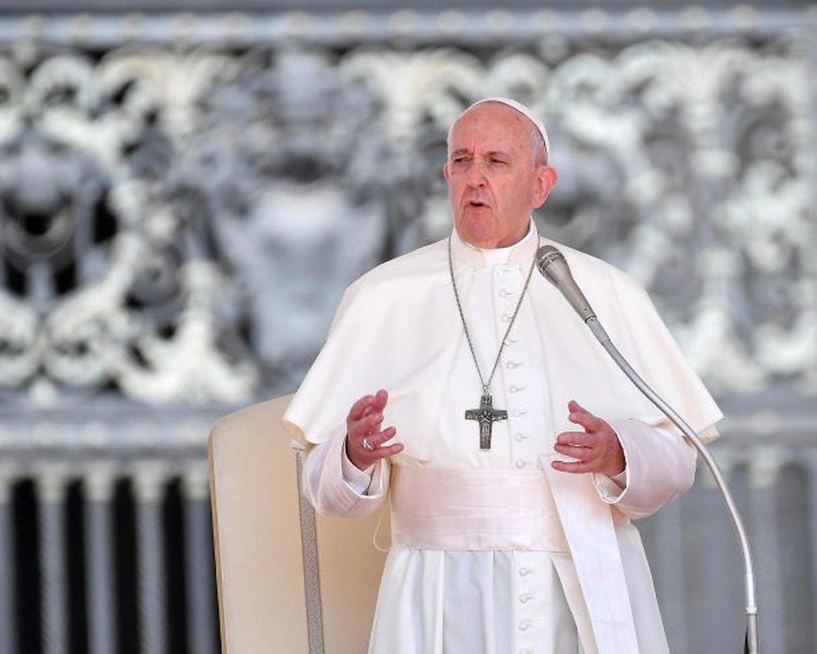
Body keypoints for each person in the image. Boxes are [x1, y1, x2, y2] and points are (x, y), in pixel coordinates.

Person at [282, 98, 722, 653]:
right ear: (445, 176)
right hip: (435, 593)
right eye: (462, 161)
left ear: (541, 185)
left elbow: (679, 459)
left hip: (578, 582)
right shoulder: (382, 297)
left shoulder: (602, 292)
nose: (475, 178)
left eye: (496, 161)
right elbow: (325, 492)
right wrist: (353, 453)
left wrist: (620, 455)